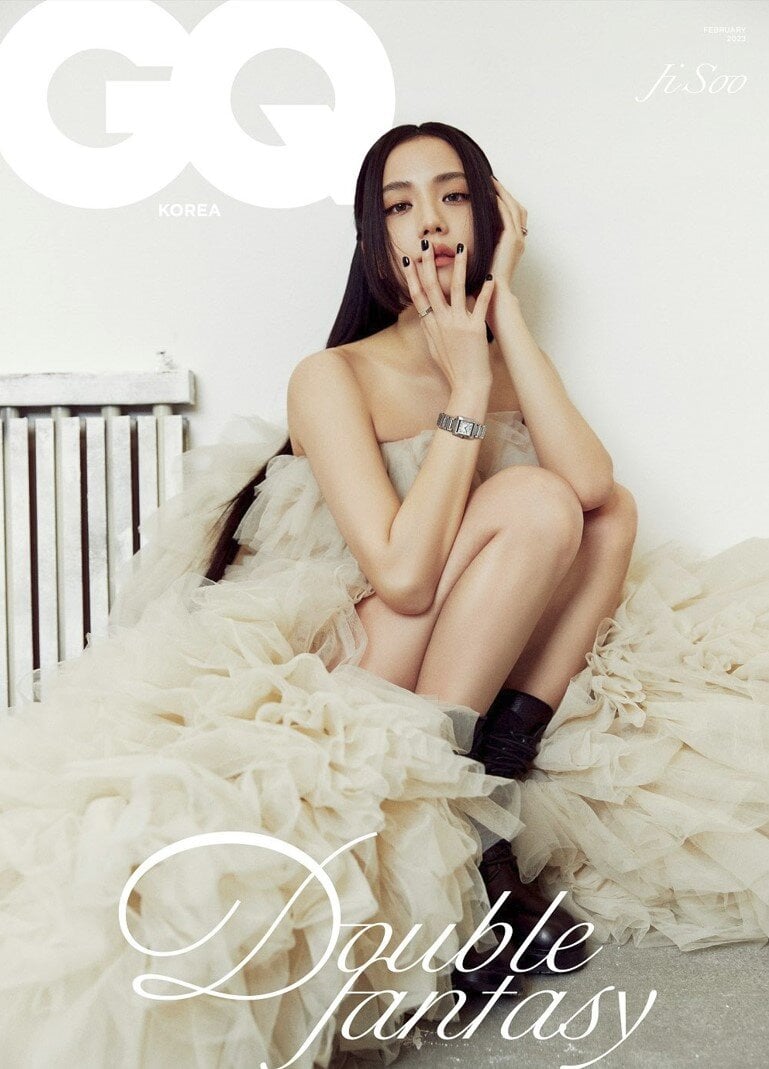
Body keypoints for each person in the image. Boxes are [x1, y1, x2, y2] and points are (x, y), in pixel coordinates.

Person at [1, 121, 768, 1069]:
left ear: (490, 222)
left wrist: (503, 314)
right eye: (400, 206)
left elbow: (593, 488)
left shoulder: (502, 354)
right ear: (375, 239)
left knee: (606, 511)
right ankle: (457, 823)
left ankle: (488, 782)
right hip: (356, 645)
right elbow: (403, 577)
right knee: (531, 498)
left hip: (454, 652)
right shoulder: (333, 375)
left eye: (454, 196)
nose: (430, 223)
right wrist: (464, 391)